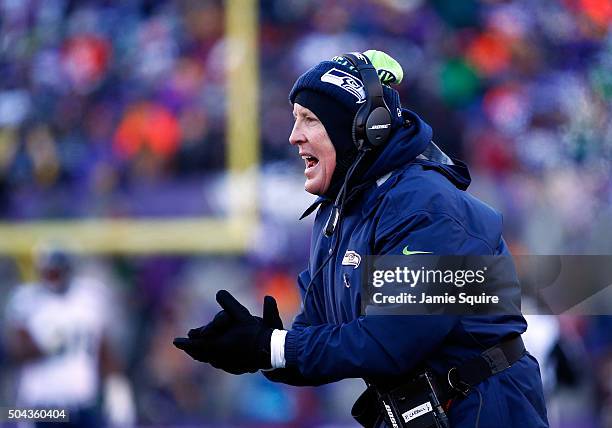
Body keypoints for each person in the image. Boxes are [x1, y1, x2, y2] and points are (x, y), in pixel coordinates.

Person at [174, 51, 549, 427]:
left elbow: (392, 340)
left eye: (309, 119)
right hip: (420, 411)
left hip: (486, 408)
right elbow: (321, 336)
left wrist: (273, 347)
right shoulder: (337, 212)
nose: (293, 136)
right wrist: (260, 349)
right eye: (295, 119)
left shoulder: (428, 205)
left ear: (364, 128)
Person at [3, 244, 135, 428]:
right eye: (49, 271)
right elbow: (15, 352)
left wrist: (117, 386)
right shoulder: (27, 300)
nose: (53, 276)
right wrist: (45, 346)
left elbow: (102, 347)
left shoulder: (90, 297)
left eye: (57, 270)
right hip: (42, 406)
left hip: (83, 403)